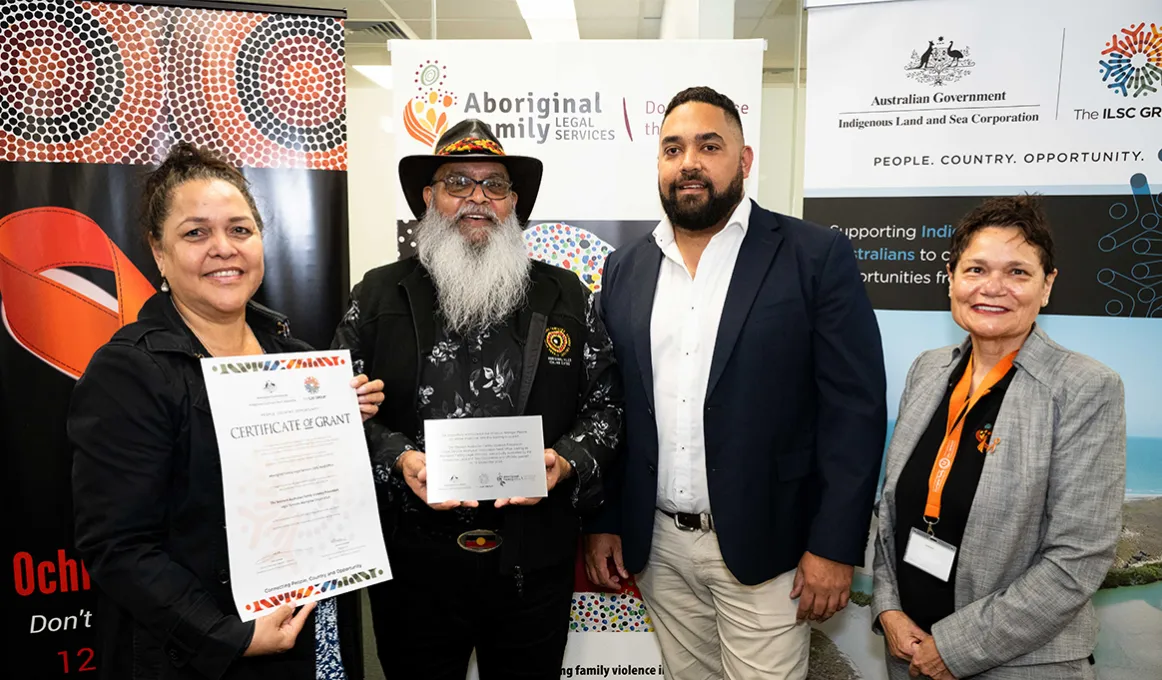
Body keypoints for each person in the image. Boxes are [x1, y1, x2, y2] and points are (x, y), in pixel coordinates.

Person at [583, 86, 887, 679]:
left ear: (743, 162)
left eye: (709, 145)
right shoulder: (626, 266)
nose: (689, 162)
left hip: (769, 544)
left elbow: (854, 409)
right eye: (673, 148)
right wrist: (604, 521)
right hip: (660, 547)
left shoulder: (813, 255)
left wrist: (833, 545)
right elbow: (612, 404)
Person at [69, 143, 384, 680]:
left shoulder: (299, 360)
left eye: (240, 230)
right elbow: (119, 548)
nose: (223, 248)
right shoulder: (130, 372)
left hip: (317, 635)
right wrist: (230, 637)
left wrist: (344, 430)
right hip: (207, 653)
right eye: (196, 233)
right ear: (159, 252)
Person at [333, 118, 623, 680]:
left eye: (494, 185)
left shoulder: (564, 293)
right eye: (457, 182)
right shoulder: (375, 294)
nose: (477, 199)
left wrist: (564, 463)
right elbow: (336, 412)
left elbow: (607, 406)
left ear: (513, 202)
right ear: (429, 197)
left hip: (533, 560)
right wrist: (397, 456)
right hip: (412, 560)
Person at [872, 195, 1125, 680]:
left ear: (1047, 286)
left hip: (1021, 665)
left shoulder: (1085, 387)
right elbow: (892, 510)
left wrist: (953, 647)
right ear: (951, 277)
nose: (993, 288)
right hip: (908, 650)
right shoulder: (927, 370)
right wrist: (888, 608)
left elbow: (1078, 558)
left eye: (1018, 272)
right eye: (976, 269)